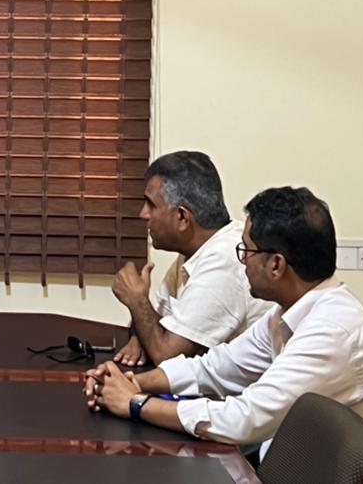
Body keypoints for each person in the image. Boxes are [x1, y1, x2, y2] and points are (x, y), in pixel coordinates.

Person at [83, 186, 363, 483]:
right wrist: (132, 382)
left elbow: (243, 419)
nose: (242, 263)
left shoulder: (333, 331)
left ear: (276, 265)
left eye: (246, 252)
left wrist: (135, 404)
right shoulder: (291, 311)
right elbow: (217, 367)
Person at [112, 151, 271, 366]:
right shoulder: (195, 251)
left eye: (151, 205)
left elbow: (167, 356)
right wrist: (139, 337)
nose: (143, 214)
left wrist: (137, 299)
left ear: (182, 217)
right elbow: (156, 327)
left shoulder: (223, 260)